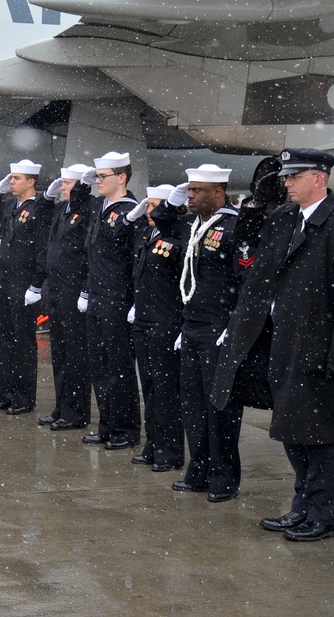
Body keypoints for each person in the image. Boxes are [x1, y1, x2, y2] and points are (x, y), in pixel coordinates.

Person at [214, 149, 334, 541]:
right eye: (285, 177)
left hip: (315, 349)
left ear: (319, 178)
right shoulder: (284, 219)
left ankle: (323, 516)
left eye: (294, 177)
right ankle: (302, 508)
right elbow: (255, 262)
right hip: (280, 345)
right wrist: (252, 206)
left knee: (318, 437)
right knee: (291, 431)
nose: (286, 183)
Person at [151, 164, 244, 501]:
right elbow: (162, 222)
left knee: (220, 407)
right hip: (191, 325)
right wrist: (173, 199)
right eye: (188, 191)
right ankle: (199, 469)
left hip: (218, 328)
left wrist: (234, 325)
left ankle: (224, 477)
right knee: (192, 404)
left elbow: (245, 282)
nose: (190, 197)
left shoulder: (234, 227)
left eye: (196, 191)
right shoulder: (193, 223)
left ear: (217, 193)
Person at [79, 151, 141, 450]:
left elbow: (132, 262)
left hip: (117, 298)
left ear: (122, 177)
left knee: (119, 369)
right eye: (96, 176)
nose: (97, 181)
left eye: (103, 177)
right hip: (98, 297)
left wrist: (133, 301)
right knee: (99, 367)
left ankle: (125, 429)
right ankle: (107, 425)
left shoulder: (132, 212)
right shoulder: (102, 209)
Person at [0, 159, 52, 415]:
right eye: (11, 178)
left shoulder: (40, 209)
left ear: (31, 181)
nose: (11, 182)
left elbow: (42, 250)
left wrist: (36, 285)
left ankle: (24, 398)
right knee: (6, 339)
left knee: (23, 341)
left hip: (23, 283)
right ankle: (6, 394)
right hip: (6, 279)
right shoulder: (11, 203)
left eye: (16, 178)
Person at [126, 184, 185, 471]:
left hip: (166, 321)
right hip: (144, 319)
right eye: (148, 205)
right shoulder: (147, 234)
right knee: (148, 386)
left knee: (166, 389)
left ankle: (170, 450)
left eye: (156, 205)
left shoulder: (177, 238)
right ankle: (154, 442)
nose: (151, 211)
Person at [37, 163, 93, 430]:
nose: (62, 188)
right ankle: (61, 406)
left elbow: (86, 254)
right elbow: (40, 213)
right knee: (59, 353)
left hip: (73, 290)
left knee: (75, 354)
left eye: (67, 184)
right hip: (57, 289)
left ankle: (76, 412)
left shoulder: (87, 210)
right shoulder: (62, 209)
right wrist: (48, 197)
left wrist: (84, 288)